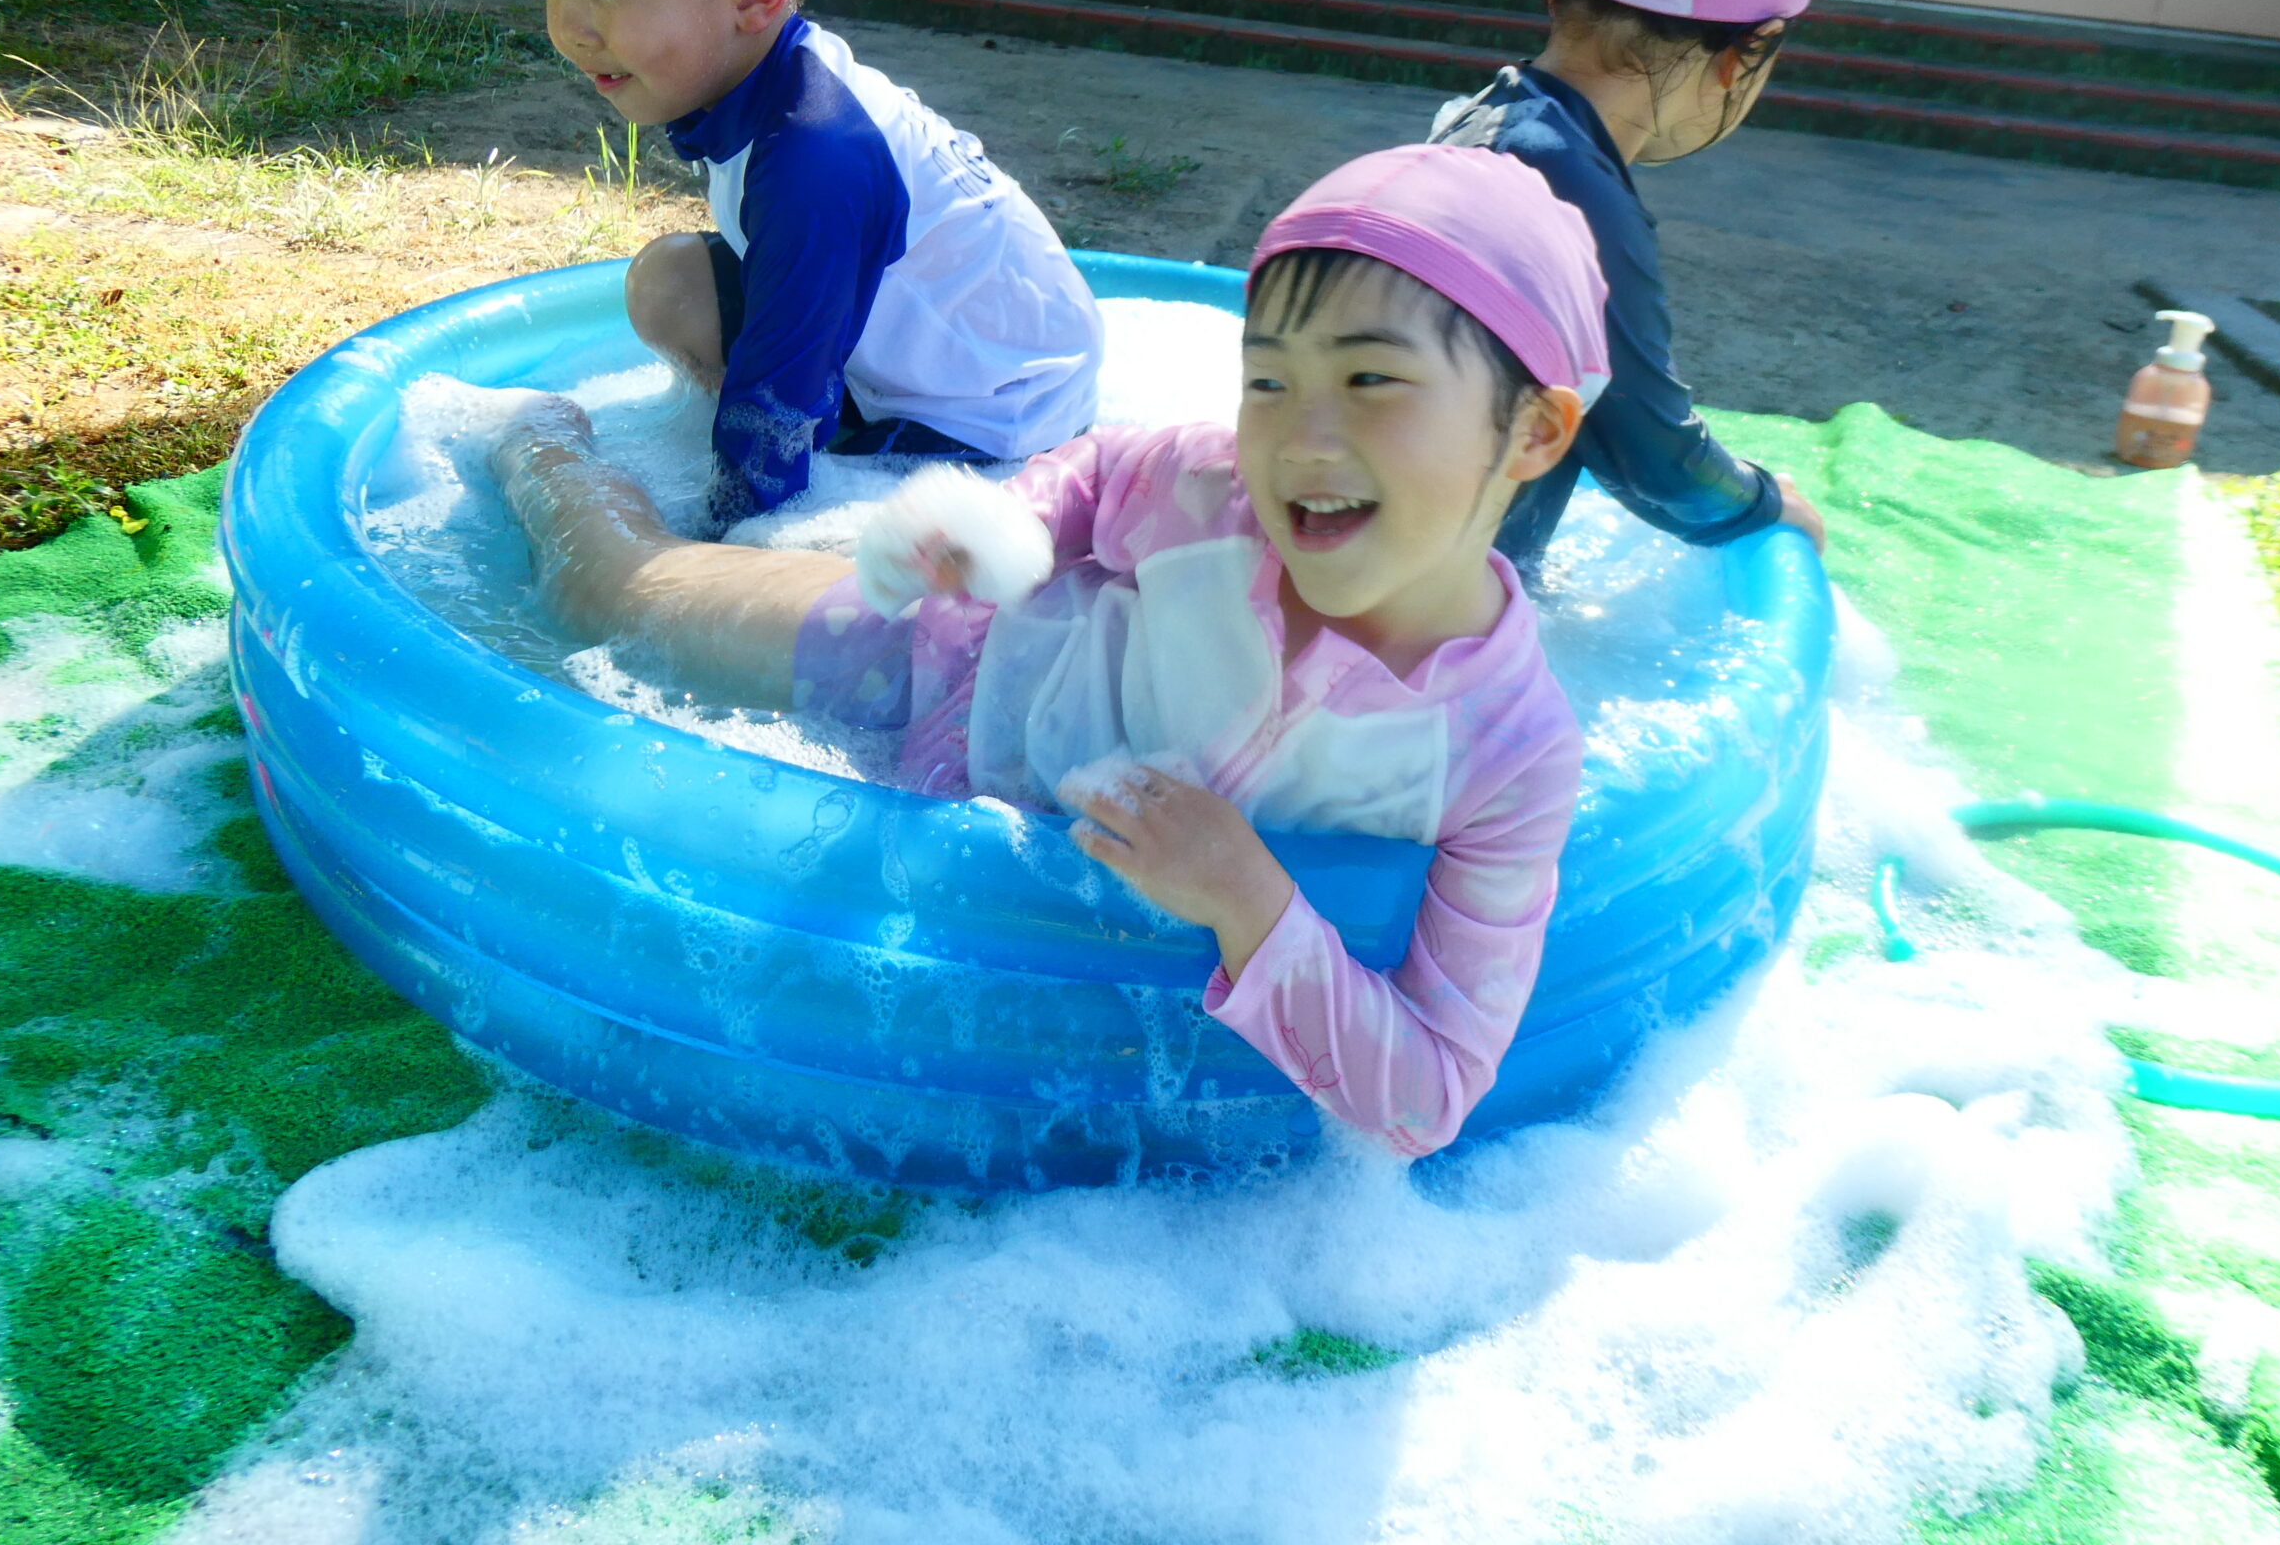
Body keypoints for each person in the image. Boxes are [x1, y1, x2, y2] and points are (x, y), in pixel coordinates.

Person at [483, 144, 1607, 1157]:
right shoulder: (1221, 492)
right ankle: (540, 445)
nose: (1301, 436)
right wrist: (1007, 532)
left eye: (1370, 380)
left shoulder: (1505, 755)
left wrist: (1245, 897)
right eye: (1269, 379)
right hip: (940, 659)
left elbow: (1429, 1097)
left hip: (1010, 832)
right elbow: (1101, 471)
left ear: (1534, 431)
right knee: (609, 594)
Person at [516, 0, 1102, 526]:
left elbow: (770, 424)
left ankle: (858, 448)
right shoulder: (761, 85)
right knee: (670, 285)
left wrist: (714, 550)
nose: (568, 28)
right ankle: (845, 418)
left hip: (998, 420)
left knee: (825, 524)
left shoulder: (812, 155)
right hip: (954, 346)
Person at [1433, 0, 1829, 569]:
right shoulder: (1574, 197)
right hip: (1442, 644)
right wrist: (1772, 505)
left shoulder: (1481, 119)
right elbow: (1660, 465)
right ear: (1743, 54)